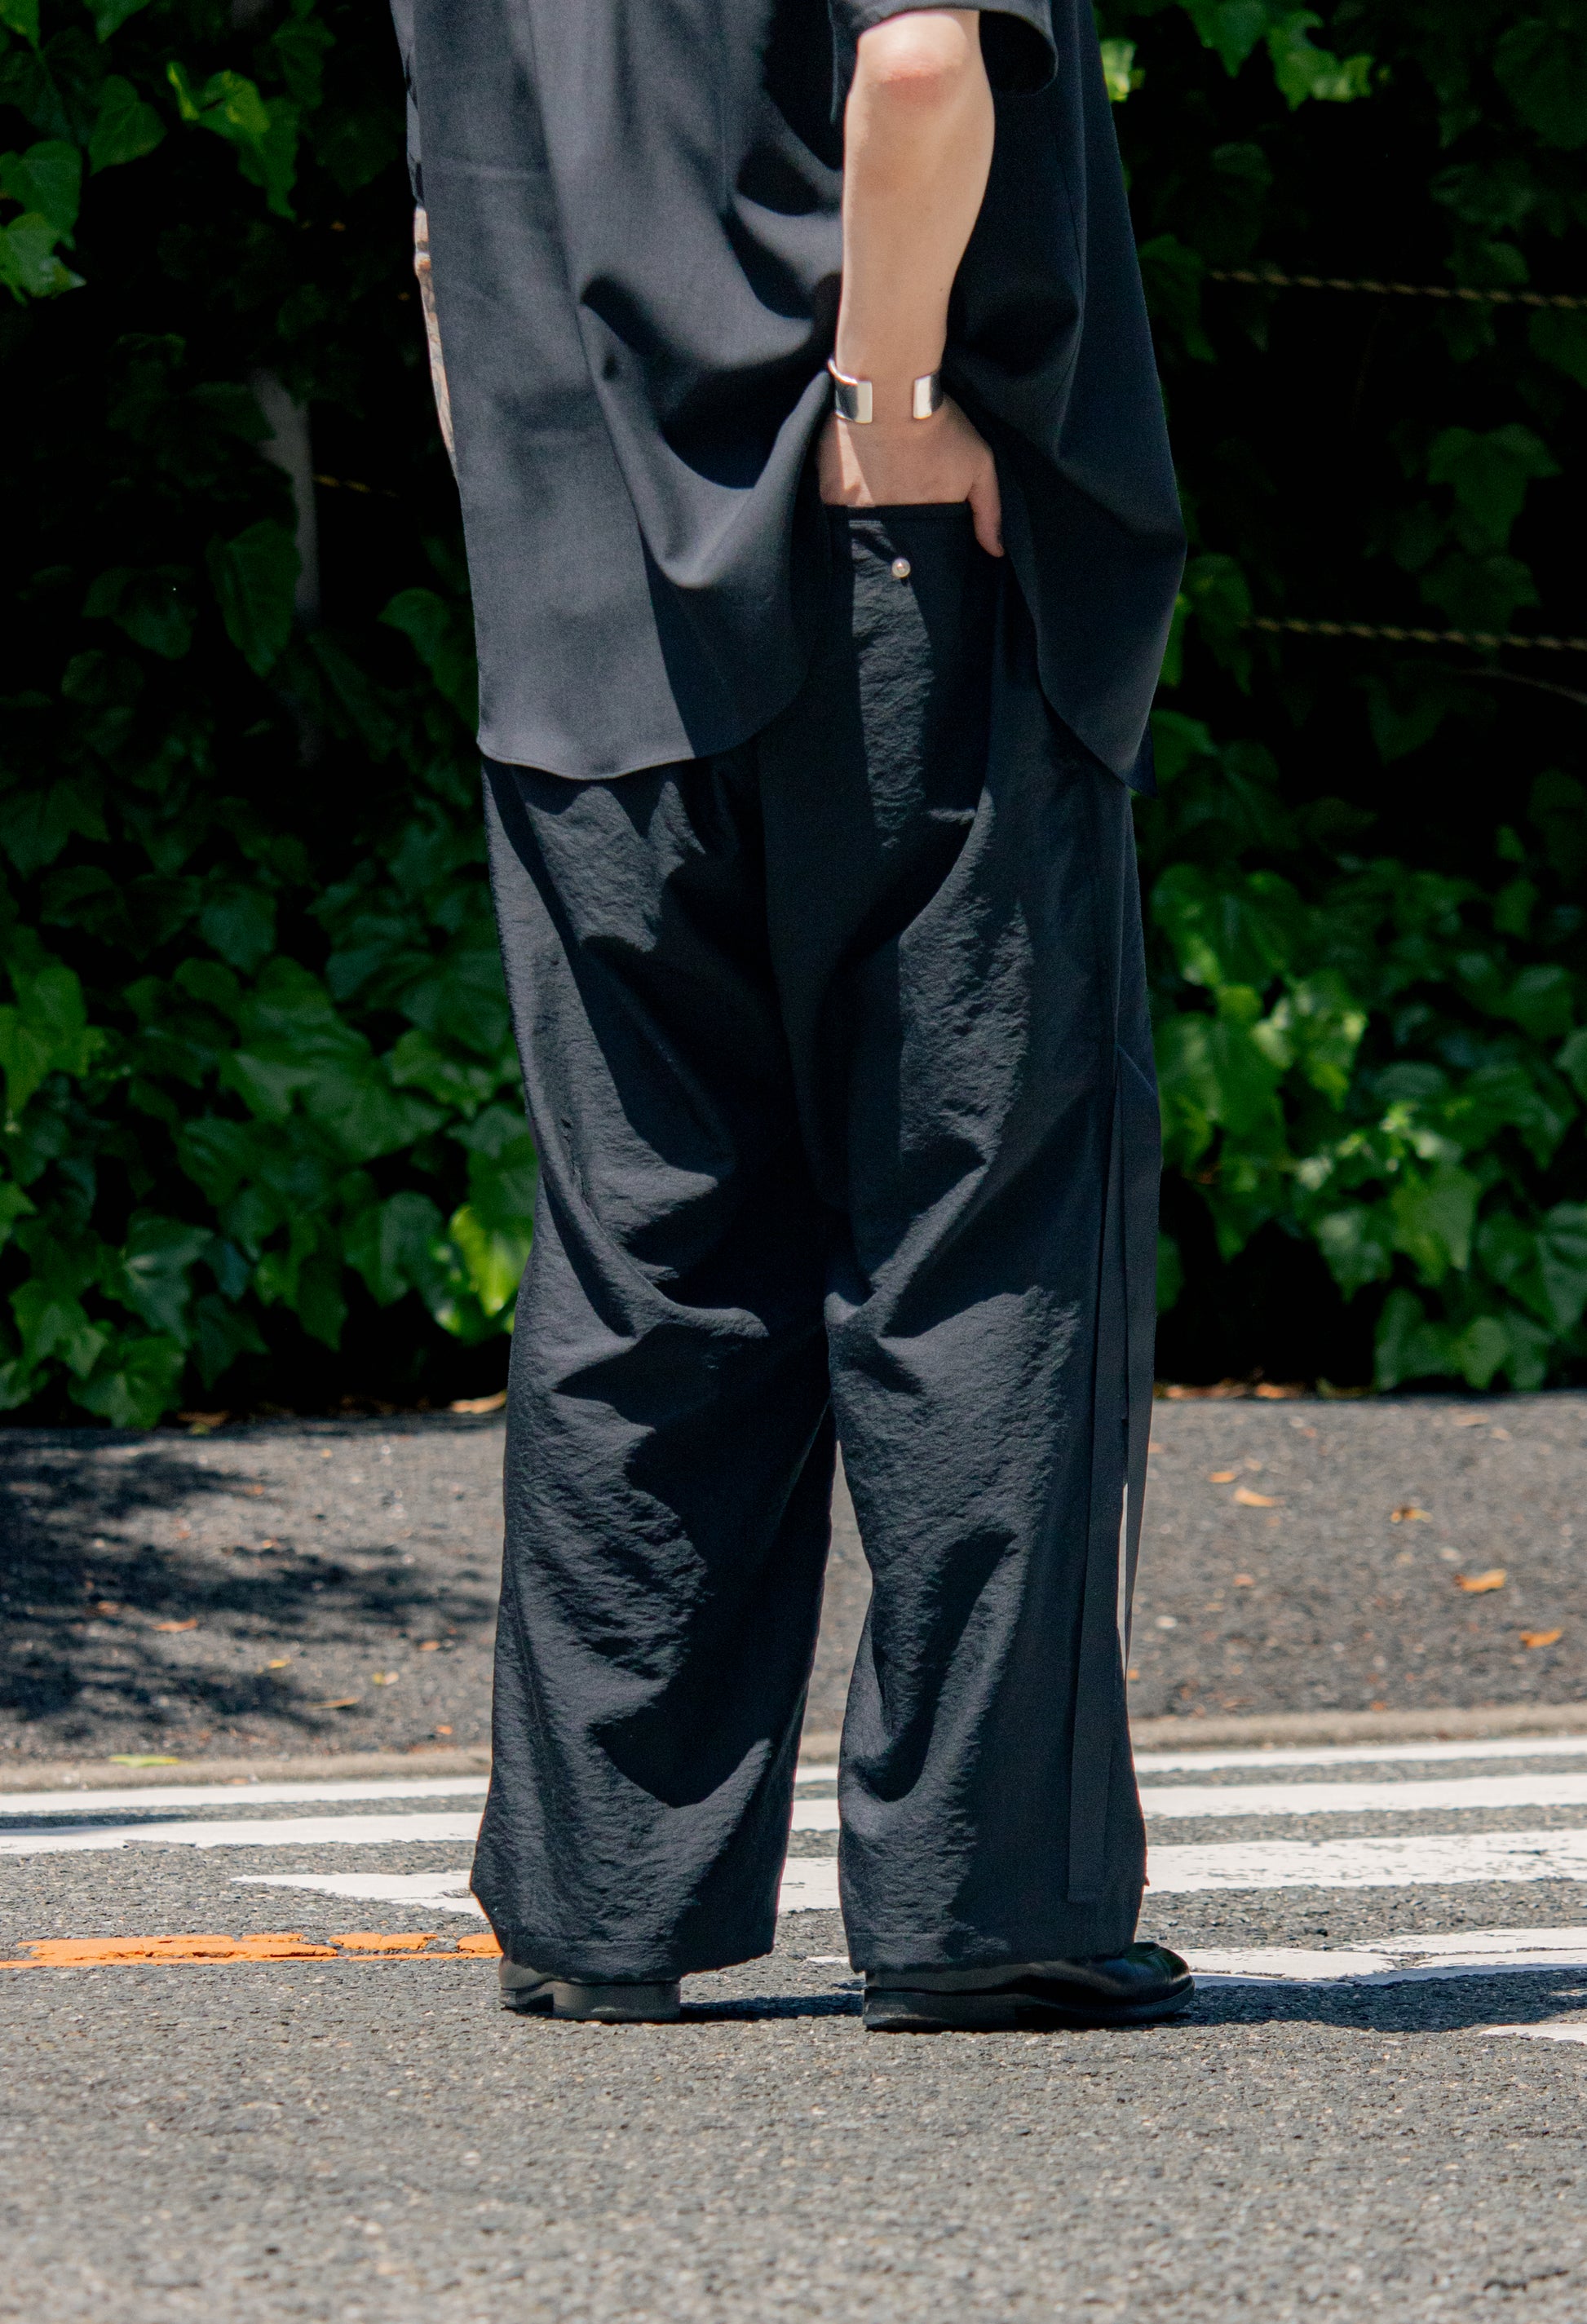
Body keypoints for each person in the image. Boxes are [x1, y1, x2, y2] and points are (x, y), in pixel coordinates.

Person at [391, 0, 1191, 2031]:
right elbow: (919, 57)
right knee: (976, 1222)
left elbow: (443, 202)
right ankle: (985, 1897)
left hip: (578, 583)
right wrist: (888, 390)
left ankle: (600, 1899)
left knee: (644, 1241)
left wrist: (539, 493)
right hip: (886, 558)